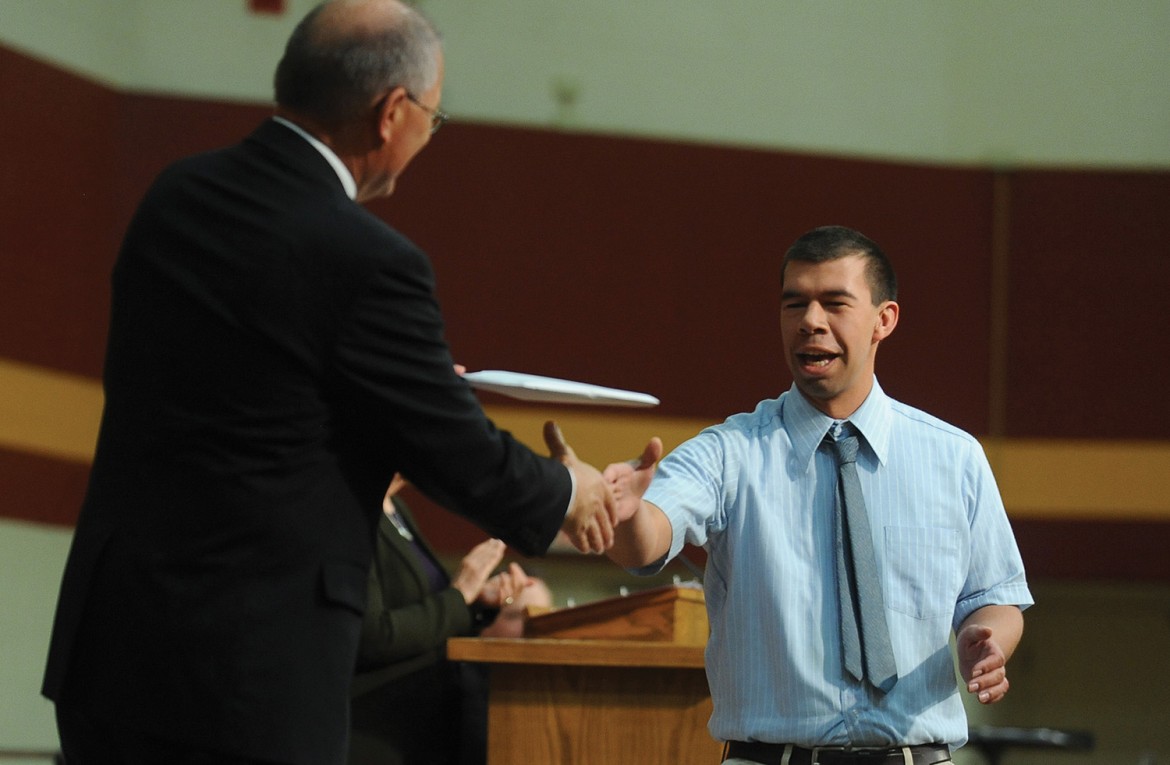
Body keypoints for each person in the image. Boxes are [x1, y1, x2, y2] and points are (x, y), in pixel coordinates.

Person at [41, 2, 638, 763]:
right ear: (392, 113)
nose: (429, 133)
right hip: (247, 682)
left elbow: (249, 397)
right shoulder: (371, 261)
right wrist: (569, 492)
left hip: (111, 652)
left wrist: (387, 391)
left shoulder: (174, 197)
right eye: (435, 115)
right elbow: (454, 451)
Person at [605, 226, 1033, 765]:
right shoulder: (729, 452)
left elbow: (994, 597)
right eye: (794, 304)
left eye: (834, 303)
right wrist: (621, 515)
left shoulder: (955, 457)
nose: (810, 321)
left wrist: (987, 639)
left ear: (884, 320)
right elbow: (645, 540)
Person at [348, 476, 551, 765]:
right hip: (374, 728)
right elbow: (374, 636)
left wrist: (478, 602)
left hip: (423, 727)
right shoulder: (353, 512)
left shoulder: (399, 510)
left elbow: (429, 616)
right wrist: (460, 594)